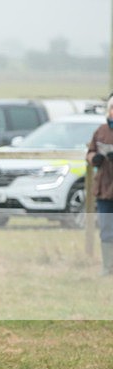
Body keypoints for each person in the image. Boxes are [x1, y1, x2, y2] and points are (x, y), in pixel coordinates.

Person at [87, 94, 113, 276]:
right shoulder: (101, 130)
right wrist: (93, 158)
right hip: (104, 189)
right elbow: (90, 151)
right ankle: (107, 267)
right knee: (106, 228)